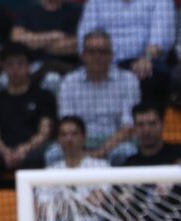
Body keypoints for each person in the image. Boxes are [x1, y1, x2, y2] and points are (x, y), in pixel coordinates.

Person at [52, 31, 141, 166]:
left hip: (115, 142)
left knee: (126, 152)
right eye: (92, 52)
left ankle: (118, 188)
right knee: (54, 154)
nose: (97, 57)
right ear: (83, 55)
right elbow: (67, 123)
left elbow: (128, 126)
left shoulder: (128, 80)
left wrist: (99, 152)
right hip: (78, 141)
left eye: (103, 52)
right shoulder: (69, 82)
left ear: (111, 55)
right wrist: (80, 151)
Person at [77, 0, 175, 103]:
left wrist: (146, 58)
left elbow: (161, 38)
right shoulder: (96, 2)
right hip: (104, 60)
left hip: (144, 61)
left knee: (152, 74)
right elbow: (84, 38)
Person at [0, 43, 55, 179]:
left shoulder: (44, 96)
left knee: (36, 158)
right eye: (10, 64)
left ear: (30, 66)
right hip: (4, 150)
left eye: (20, 64)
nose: (15, 69)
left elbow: (44, 132)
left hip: (32, 149)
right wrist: (5, 151)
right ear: (3, 67)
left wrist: (25, 149)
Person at [13, 0, 83, 82]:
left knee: (52, 79)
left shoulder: (75, 12)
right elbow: (16, 39)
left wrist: (34, 43)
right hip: (33, 64)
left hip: (65, 65)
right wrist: (54, 35)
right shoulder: (28, 10)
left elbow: (74, 45)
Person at [121, 102, 181, 166]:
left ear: (162, 125)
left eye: (152, 123)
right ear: (134, 128)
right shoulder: (129, 165)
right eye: (140, 124)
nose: (146, 130)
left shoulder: (180, 154)